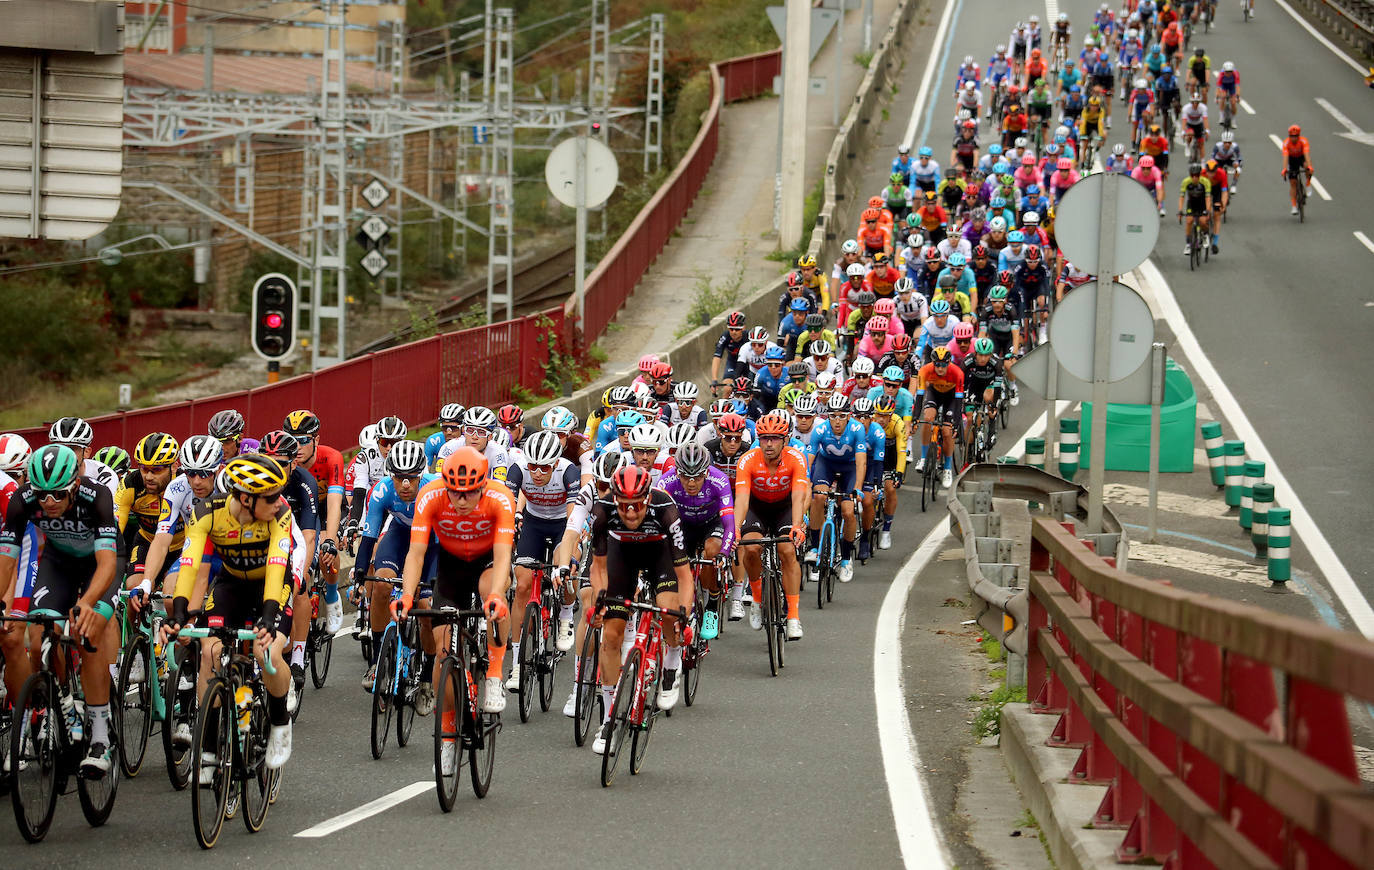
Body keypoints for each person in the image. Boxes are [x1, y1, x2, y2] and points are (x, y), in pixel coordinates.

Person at [165, 454, 297, 775]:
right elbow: (190, 563)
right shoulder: (207, 513)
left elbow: (279, 564)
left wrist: (268, 616)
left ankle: (280, 721)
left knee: (267, 651)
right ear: (245, 498)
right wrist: (181, 611)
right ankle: (209, 746)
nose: (278, 502)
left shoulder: (280, 515)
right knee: (210, 651)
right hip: (231, 585)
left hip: (272, 585)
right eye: (270, 497)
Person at [1, 444, 121, 775]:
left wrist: (85, 602)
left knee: (88, 630)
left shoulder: (97, 497)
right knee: (39, 634)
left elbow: (107, 563)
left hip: (102, 564)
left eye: (57, 495)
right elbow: (7, 558)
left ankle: (99, 738)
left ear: (74, 485)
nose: (48, 502)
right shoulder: (22, 499)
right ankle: (58, 705)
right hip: (60, 561)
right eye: (41, 495)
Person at [586, 465, 690, 752]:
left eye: (636, 506)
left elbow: (684, 576)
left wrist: (685, 611)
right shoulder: (602, 510)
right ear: (615, 501)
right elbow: (598, 568)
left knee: (668, 613)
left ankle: (671, 660)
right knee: (611, 637)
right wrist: (600, 599)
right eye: (624, 507)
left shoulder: (666, 509)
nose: (630, 513)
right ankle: (608, 719)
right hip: (623, 556)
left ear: (647, 499)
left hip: (659, 554)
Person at [734, 414, 810, 636]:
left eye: (775, 438)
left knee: (787, 550)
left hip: (784, 507)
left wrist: (797, 525)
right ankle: (757, 598)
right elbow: (742, 500)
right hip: (756, 507)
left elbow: (798, 496)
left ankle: (793, 616)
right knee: (750, 548)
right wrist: (736, 529)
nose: (769, 444)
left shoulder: (796, 458)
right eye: (764, 438)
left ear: (785, 440)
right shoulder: (747, 460)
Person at [658, 443, 735, 641]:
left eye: (698, 477)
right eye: (685, 476)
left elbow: (729, 525)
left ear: (707, 472)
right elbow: (657, 522)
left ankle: (712, 605)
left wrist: (723, 554)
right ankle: (686, 605)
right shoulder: (666, 481)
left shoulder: (720, 480)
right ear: (677, 472)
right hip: (682, 524)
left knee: (713, 550)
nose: (691, 483)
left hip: (712, 523)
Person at [805, 393, 868, 583]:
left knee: (848, 512)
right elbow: (810, 459)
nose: (837, 421)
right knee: (818, 498)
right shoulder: (820, 430)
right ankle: (815, 548)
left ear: (849, 416)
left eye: (841, 415)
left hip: (850, 468)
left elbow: (861, 463)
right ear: (828, 417)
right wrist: (806, 482)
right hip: (827, 465)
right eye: (833, 416)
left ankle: (846, 559)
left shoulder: (857, 430)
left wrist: (857, 489)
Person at [913, 347, 966, 489]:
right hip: (934, 394)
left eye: (943, 365)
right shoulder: (924, 370)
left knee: (947, 432)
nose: (940, 368)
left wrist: (955, 422)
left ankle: (947, 468)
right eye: (937, 364)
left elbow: (959, 401)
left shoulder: (958, 373)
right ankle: (924, 458)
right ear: (933, 363)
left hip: (951, 398)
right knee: (928, 418)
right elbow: (919, 397)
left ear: (949, 363)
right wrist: (915, 418)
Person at [1178, 162, 1213, 256]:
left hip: (1202, 204)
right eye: (1192, 175)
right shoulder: (1186, 182)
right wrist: (1180, 210)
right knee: (1189, 221)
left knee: (1202, 221)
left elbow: (1208, 198)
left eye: (1197, 175)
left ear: (1200, 175)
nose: (1194, 178)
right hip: (1192, 204)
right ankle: (1188, 244)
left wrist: (1208, 210)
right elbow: (1182, 197)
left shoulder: (1205, 182)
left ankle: (1205, 235)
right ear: (1190, 175)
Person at [1281, 124, 1313, 216]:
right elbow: (1285, 157)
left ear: (1299, 136)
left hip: (1301, 157)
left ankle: (1308, 184)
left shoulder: (1303, 141)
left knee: (1308, 166)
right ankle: (1294, 206)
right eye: (1291, 136)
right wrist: (1284, 169)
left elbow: (1306, 155)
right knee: (1293, 183)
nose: (1293, 138)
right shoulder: (1286, 143)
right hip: (1292, 160)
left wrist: (1309, 167)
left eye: (1295, 136)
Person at [711, 311, 749, 382]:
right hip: (733, 363)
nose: (734, 332)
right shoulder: (725, 336)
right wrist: (714, 379)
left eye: (737, 329)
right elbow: (717, 357)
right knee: (727, 387)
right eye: (731, 329)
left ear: (743, 328)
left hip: (748, 364)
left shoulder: (749, 336)